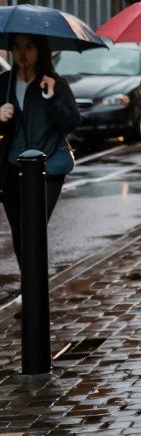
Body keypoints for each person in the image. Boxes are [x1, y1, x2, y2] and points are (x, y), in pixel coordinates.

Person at [0, 34, 80, 272]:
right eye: (17, 47)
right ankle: (31, 290)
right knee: (19, 230)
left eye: (29, 47)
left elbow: (71, 123)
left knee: (33, 227)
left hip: (48, 168)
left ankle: (35, 296)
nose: (22, 53)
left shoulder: (55, 83)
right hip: (12, 169)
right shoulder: (3, 83)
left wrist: (52, 98)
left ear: (40, 51)